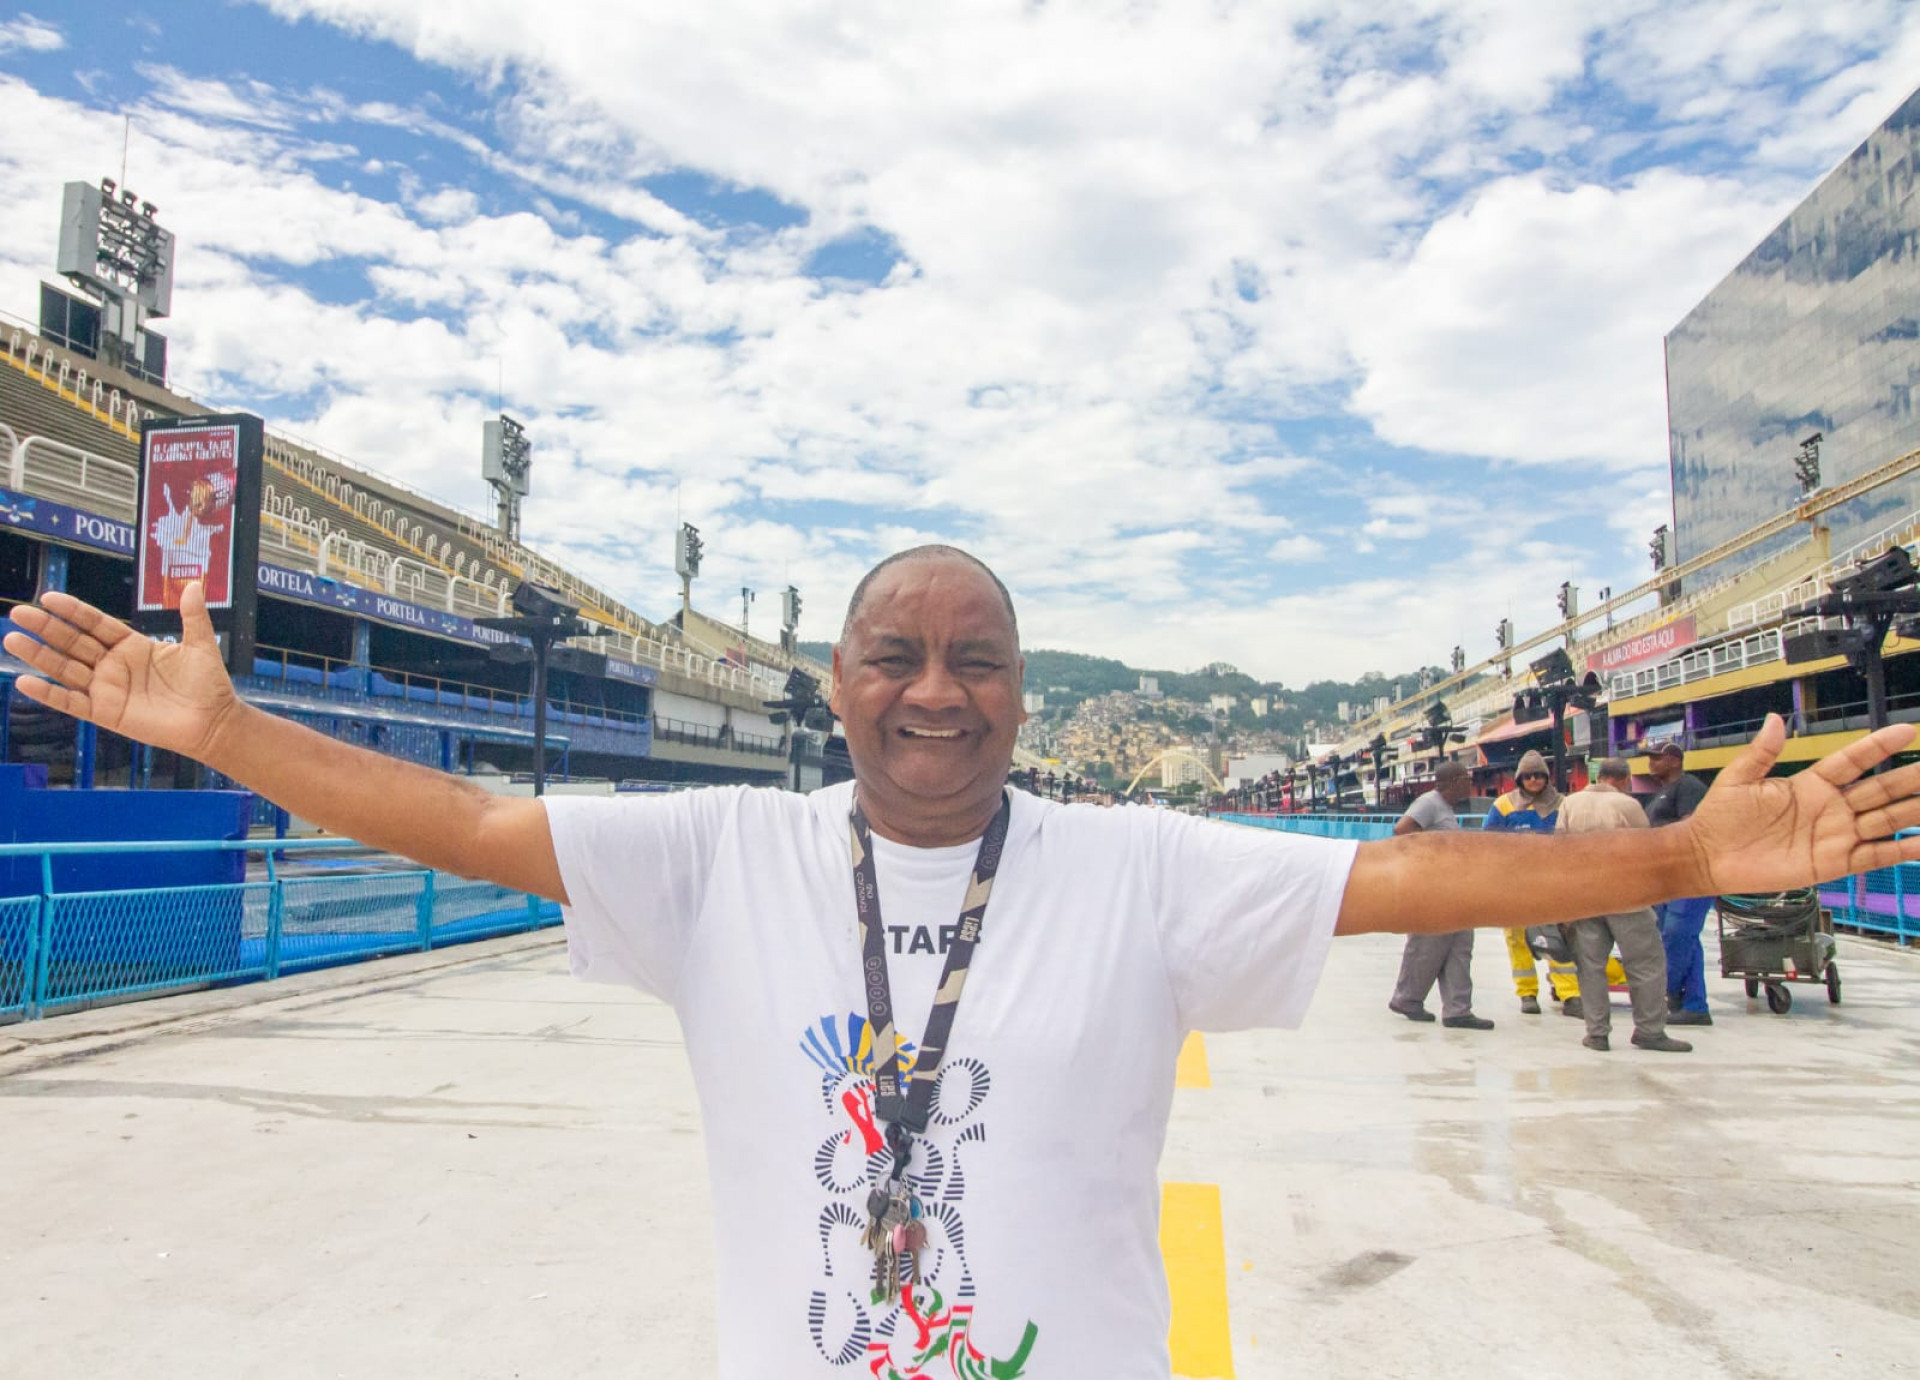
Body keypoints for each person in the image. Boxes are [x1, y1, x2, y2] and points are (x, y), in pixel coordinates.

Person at [10, 546, 1920, 1378]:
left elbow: (1406, 878)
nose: (937, 690)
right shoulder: (720, 856)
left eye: (979, 660)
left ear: (1023, 694)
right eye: (895, 656)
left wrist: (1682, 856)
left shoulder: (1137, 867)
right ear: (836, 684)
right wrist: (227, 732)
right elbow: (465, 823)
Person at [1556, 759, 1691, 1053]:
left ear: (1599, 777)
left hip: (1584, 897)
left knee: (1590, 966)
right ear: (1624, 779)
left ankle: (1596, 1033)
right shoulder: (1627, 804)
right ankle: (1649, 1030)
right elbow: (1645, 850)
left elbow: (1559, 849)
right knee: (1645, 965)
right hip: (1626, 896)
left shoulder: (1569, 803)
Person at [1386, 761, 1492, 1029]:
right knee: (1427, 946)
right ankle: (1407, 998)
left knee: (1460, 947)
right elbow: (1401, 829)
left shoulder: (1446, 808)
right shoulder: (1429, 803)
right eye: (1466, 779)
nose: (1470, 784)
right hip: (1434, 888)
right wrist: (1432, 856)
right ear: (1453, 782)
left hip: (1454, 889)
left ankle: (1458, 1009)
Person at [1484, 749, 1582, 1016]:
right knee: (1517, 939)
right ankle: (1527, 993)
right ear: (1519, 779)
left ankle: (1569, 994)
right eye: (1528, 776)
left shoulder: (1563, 804)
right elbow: (1488, 844)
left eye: (1539, 775)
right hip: (1515, 886)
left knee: (1560, 939)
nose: (1534, 780)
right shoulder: (1504, 806)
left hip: (1554, 884)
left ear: (1547, 777)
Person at [1646, 741, 1715, 1025]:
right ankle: (1695, 1005)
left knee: (1677, 934)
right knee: (1686, 940)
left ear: (1675, 760)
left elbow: (1690, 828)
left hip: (1689, 876)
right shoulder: (1661, 793)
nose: (1651, 763)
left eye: (1657, 758)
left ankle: (1669, 990)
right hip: (1667, 877)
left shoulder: (1689, 787)